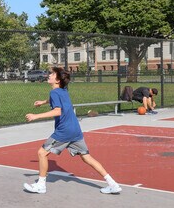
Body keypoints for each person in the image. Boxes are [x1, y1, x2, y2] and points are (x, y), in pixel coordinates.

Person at [23, 67, 122, 195]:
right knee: (86, 157)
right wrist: (43, 102)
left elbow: (58, 111)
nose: (49, 75)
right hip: (75, 130)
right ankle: (112, 184)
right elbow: (58, 100)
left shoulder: (55, 92)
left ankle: (41, 185)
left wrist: (36, 116)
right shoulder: (63, 91)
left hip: (64, 131)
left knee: (42, 153)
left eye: (52, 74)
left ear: (57, 80)